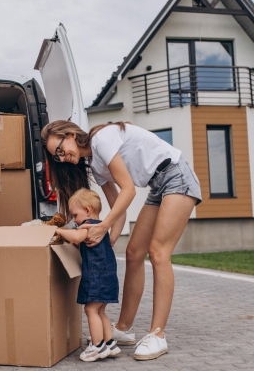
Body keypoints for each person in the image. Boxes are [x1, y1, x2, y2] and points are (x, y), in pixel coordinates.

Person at [42, 120, 202, 361]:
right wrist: (108, 239)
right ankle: (124, 328)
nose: (62, 158)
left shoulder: (102, 139)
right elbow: (119, 206)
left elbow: (129, 190)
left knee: (158, 253)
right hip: (158, 186)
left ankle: (157, 335)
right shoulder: (94, 165)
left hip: (176, 175)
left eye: (61, 150)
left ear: (72, 135)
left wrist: (104, 226)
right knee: (134, 253)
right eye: (57, 156)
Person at [55, 188, 121, 362]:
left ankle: (97, 346)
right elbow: (80, 242)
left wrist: (59, 231)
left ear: (87, 210)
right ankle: (110, 343)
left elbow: (77, 237)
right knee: (100, 311)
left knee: (90, 309)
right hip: (108, 277)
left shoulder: (89, 225)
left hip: (96, 278)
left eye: (75, 215)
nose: (74, 220)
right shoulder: (101, 230)